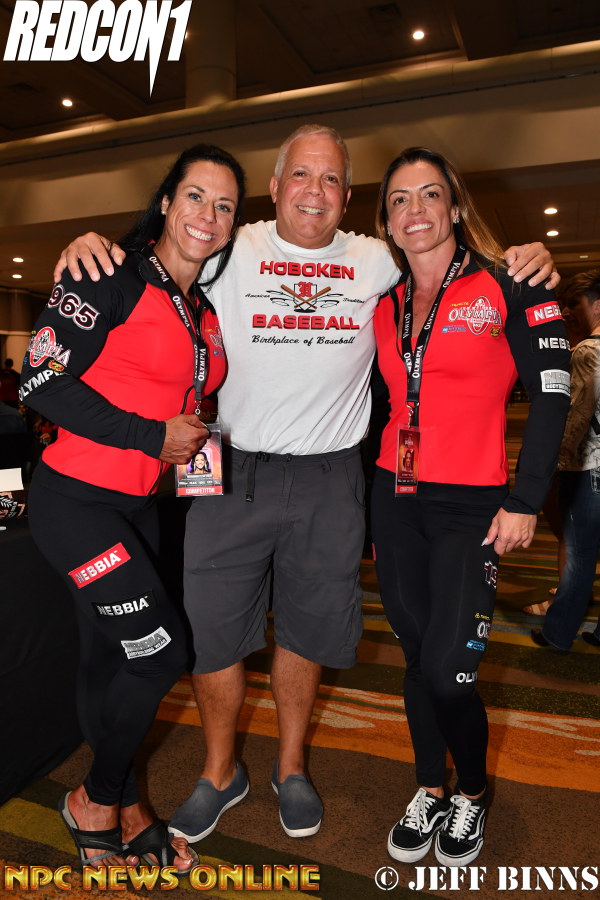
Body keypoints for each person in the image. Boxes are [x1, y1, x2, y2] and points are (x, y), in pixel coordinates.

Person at [54, 125, 558, 843]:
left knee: (309, 625)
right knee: (212, 633)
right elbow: (160, 252)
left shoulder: (376, 258)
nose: (313, 192)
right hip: (224, 464)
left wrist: (526, 258)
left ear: (348, 197)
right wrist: (89, 245)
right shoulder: (228, 246)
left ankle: (291, 767)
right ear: (275, 185)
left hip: (331, 473)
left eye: (330, 180)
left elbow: (447, 260)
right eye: (300, 175)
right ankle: (219, 771)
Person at [23, 143, 245, 870]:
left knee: (107, 658)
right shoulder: (109, 273)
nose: (208, 214)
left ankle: (126, 805)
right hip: (74, 503)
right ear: (166, 202)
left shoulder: (202, 310)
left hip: (141, 507)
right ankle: (94, 799)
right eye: (196, 196)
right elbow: (39, 382)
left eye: (225, 205)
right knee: (161, 653)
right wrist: (152, 435)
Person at [370, 147, 570, 867]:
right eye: (399, 199)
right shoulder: (383, 300)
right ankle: (430, 785)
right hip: (395, 498)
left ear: (454, 206)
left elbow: (553, 391)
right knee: (415, 654)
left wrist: (525, 498)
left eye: (430, 194)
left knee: (451, 669)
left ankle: (473, 791)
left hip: (474, 505)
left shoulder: (509, 280)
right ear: (386, 220)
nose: (415, 210)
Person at [531, 271, 600, 651]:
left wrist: (553, 463)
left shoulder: (587, 351)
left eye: (576, 303)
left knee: (579, 555)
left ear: (597, 305)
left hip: (587, 467)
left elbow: (578, 416)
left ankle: (558, 634)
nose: (569, 311)